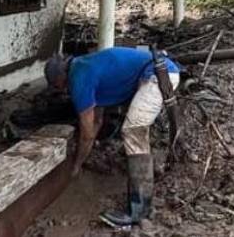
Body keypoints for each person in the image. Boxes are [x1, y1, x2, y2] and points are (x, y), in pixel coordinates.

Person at [44, 47, 181, 228]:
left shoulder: (78, 79)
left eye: (56, 86)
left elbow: (86, 134)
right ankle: (142, 198)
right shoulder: (83, 66)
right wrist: (88, 143)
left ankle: (139, 211)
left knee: (133, 130)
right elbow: (96, 121)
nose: (60, 90)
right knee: (135, 129)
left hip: (158, 75)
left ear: (60, 77)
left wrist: (76, 165)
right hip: (157, 71)